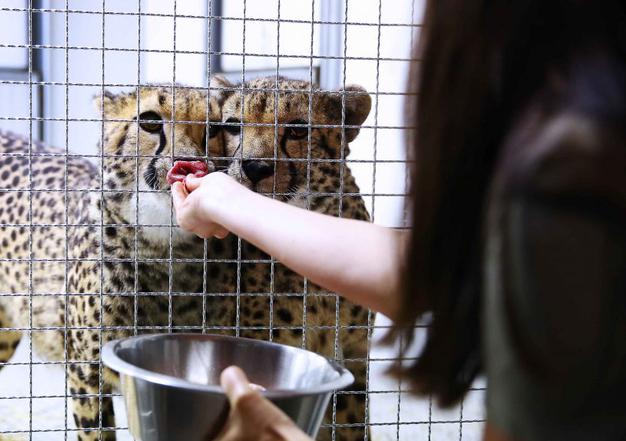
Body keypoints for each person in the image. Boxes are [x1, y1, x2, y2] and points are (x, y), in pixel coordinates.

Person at [171, 1, 626, 440]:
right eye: (234, 130)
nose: (253, 157)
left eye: (295, 133)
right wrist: (224, 199)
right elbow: (429, 273)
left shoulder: (566, 181)